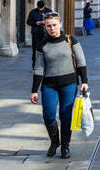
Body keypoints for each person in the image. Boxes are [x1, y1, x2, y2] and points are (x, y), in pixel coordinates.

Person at [30, 11, 88, 159]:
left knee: (65, 115)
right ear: (45, 27)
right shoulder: (42, 45)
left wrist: (84, 82)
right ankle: (55, 142)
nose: (52, 28)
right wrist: (34, 90)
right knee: (48, 115)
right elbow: (38, 68)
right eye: (48, 26)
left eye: (54, 25)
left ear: (60, 24)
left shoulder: (70, 40)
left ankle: (66, 146)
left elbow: (81, 61)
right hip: (49, 85)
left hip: (69, 84)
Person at [26, 0, 50, 68]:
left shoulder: (48, 11)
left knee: (46, 49)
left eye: (41, 8)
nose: (40, 9)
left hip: (45, 33)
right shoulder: (33, 12)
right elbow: (28, 22)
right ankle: (35, 65)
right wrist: (35, 23)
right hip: (36, 33)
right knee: (35, 49)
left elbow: (53, 20)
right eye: (39, 8)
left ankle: (46, 65)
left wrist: (44, 22)